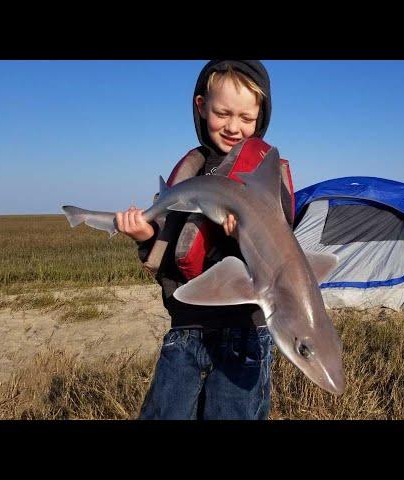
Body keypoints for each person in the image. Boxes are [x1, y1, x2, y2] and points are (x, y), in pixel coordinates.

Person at [115, 60, 295, 420]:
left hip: (244, 330)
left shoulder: (266, 174)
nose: (233, 127)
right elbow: (170, 254)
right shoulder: (191, 173)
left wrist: (242, 238)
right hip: (187, 329)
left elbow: (282, 248)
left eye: (246, 117)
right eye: (222, 113)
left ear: (261, 115)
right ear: (201, 107)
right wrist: (144, 235)